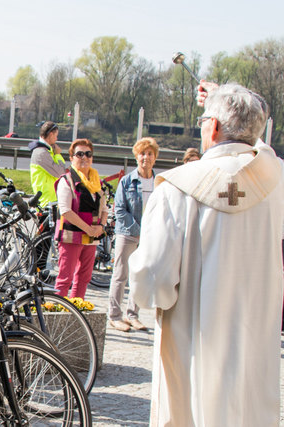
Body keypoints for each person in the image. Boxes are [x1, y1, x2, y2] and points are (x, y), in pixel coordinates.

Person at [129, 83, 283, 426]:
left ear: (212, 128)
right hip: (255, 341)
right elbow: (263, 148)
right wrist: (232, 99)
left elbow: (152, 281)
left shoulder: (176, 187)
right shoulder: (276, 181)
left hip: (195, 345)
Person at [107, 137, 159, 332]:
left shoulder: (159, 181)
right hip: (128, 233)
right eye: (142, 154)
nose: (145, 157)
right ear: (136, 157)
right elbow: (119, 209)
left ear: (155, 158)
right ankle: (114, 315)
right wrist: (138, 229)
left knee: (139, 275)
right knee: (120, 274)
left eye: (149, 154)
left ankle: (132, 315)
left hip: (150, 237)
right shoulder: (127, 181)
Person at [53, 139, 107, 300]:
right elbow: (66, 211)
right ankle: (56, 313)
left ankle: (77, 311)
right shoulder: (67, 180)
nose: (84, 157)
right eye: (80, 154)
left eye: (88, 154)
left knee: (84, 278)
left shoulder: (97, 182)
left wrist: (101, 227)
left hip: (91, 238)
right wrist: (88, 228)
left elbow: (104, 208)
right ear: (72, 158)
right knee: (65, 279)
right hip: (71, 237)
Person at [29, 121, 66, 206]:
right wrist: (58, 155)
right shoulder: (41, 153)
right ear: (51, 134)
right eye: (56, 136)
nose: (57, 139)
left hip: (50, 198)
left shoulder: (46, 150)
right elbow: (61, 172)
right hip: (47, 201)